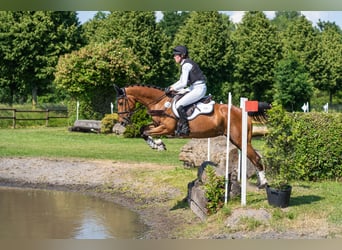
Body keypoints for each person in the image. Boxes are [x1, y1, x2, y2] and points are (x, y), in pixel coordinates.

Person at [166, 45, 207, 136]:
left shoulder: (186, 65)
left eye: (176, 55)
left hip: (198, 89)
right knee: (177, 98)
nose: (174, 57)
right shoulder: (185, 64)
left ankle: (185, 128)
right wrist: (171, 86)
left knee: (179, 104)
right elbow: (180, 81)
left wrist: (172, 88)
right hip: (194, 87)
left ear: (182, 55)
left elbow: (183, 83)